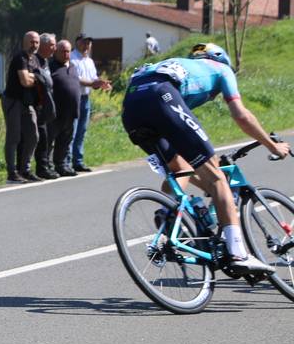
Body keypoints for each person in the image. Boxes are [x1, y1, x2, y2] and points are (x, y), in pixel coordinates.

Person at [121, 42, 289, 273]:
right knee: (218, 178)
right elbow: (240, 115)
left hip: (131, 106)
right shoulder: (221, 70)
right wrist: (271, 145)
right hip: (161, 95)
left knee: (180, 168)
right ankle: (238, 254)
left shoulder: (181, 65)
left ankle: (168, 213)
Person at [3, 31, 41, 183]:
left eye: (37, 42)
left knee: (33, 135)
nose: (34, 45)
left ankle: (25, 170)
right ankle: (12, 173)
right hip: (13, 101)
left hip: (28, 102)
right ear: (24, 42)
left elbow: (34, 78)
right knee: (14, 137)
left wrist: (33, 77)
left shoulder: (35, 60)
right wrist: (36, 78)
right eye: (31, 41)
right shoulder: (20, 58)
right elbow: (25, 81)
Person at [69, 35, 110, 172]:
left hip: (86, 98)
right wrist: (94, 83)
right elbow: (76, 79)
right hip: (74, 98)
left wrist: (101, 83)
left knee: (82, 130)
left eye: (89, 43)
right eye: (84, 42)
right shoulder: (71, 58)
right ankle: (67, 162)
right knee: (72, 130)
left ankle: (78, 161)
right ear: (77, 42)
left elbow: (93, 80)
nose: (87, 46)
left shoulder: (89, 61)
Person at [46, 40, 81, 177]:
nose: (66, 54)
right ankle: (47, 166)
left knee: (65, 141)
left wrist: (94, 83)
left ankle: (62, 165)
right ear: (56, 52)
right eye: (63, 51)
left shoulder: (72, 66)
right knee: (50, 141)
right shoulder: (51, 67)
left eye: (68, 51)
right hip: (56, 112)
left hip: (71, 112)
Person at [33, 33, 58, 179]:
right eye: (52, 45)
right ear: (42, 45)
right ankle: (41, 168)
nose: (54, 48)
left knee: (47, 138)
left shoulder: (45, 61)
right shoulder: (35, 61)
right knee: (41, 138)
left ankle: (46, 165)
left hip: (46, 107)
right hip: (38, 106)